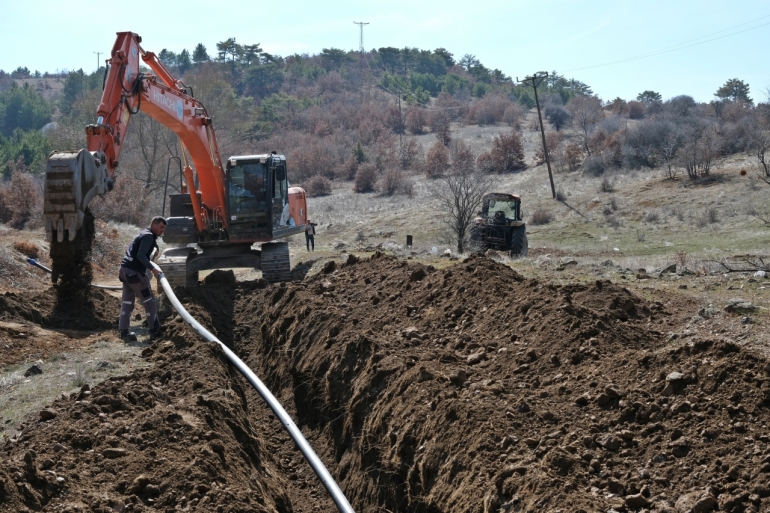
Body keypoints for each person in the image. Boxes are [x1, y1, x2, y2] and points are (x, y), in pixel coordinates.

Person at [118, 216, 167, 341]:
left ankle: (124, 332)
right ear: (154, 225)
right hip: (135, 273)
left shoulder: (143, 234)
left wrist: (154, 248)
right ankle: (154, 331)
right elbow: (140, 255)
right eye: (161, 227)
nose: (163, 230)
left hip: (125, 271)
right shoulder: (148, 236)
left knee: (127, 302)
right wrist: (153, 269)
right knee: (149, 301)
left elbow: (137, 251)